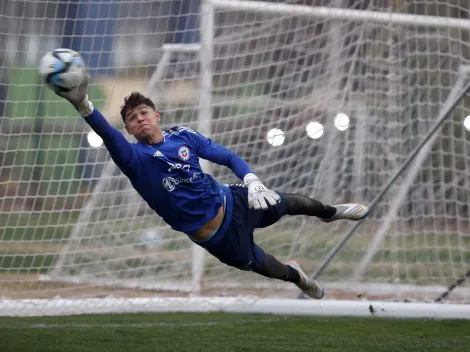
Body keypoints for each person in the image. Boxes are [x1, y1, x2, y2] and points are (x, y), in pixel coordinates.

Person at [57, 75, 369, 299]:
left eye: (143, 113)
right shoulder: (133, 157)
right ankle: (298, 276)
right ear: (128, 128)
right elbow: (109, 136)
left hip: (232, 198)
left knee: (287, 201)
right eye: (131, 118)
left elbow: (227, 156)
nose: (139, 119)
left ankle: (330, 212)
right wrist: (84, 104)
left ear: (156, 115)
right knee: (268, 267)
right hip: (217, 237)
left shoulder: (182, 136)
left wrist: (253, 182)